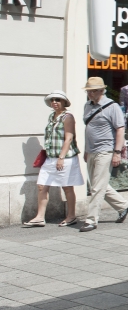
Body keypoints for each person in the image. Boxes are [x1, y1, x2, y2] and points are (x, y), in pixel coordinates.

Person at [23, 91, 84, 227]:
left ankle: (71, 216)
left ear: (63, 102)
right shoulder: (52, 116)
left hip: (65, 158)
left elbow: (69, 138)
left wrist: (61, 157)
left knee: (67, 187)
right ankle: (39, 217)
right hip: (50, 157)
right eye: (52, 100)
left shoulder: (67, 117)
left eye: (58, 100)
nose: (54, 102)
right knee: (41, 185)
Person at [82, 77, 128, 232]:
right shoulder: (87, 106)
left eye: (93, 91)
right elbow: (88, 129)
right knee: (97, 184)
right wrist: (86, 149)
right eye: (88, 91)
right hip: (91, 151)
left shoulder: (112, 106)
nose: (90, 94)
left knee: (97, 187)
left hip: (106, 150)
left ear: (101, 91)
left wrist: (117, 153)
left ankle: (91, 220)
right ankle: (123, 205)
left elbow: (120, 130)